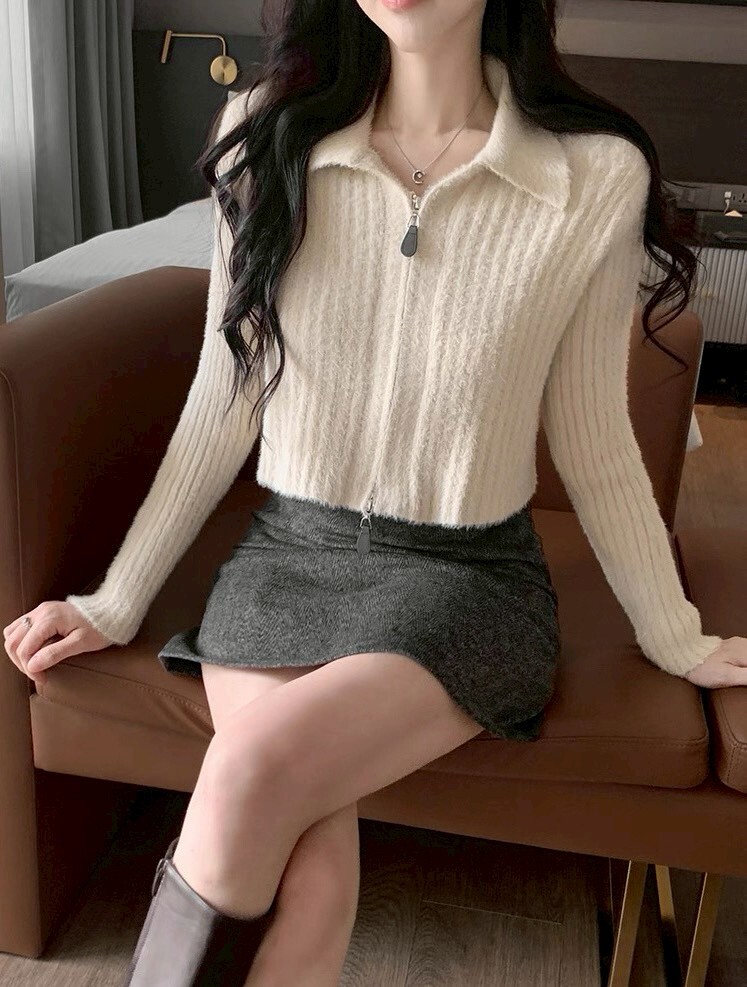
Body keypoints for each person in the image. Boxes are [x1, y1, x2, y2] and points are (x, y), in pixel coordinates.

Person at [5, 1, 746, 984]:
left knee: (254, 769)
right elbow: (223, 399)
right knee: (311, 876)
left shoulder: (589, 171)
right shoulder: (267, 132)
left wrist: (674, 635)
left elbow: (596, 439)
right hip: (287, 559)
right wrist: (116, 599)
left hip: (466, 578)